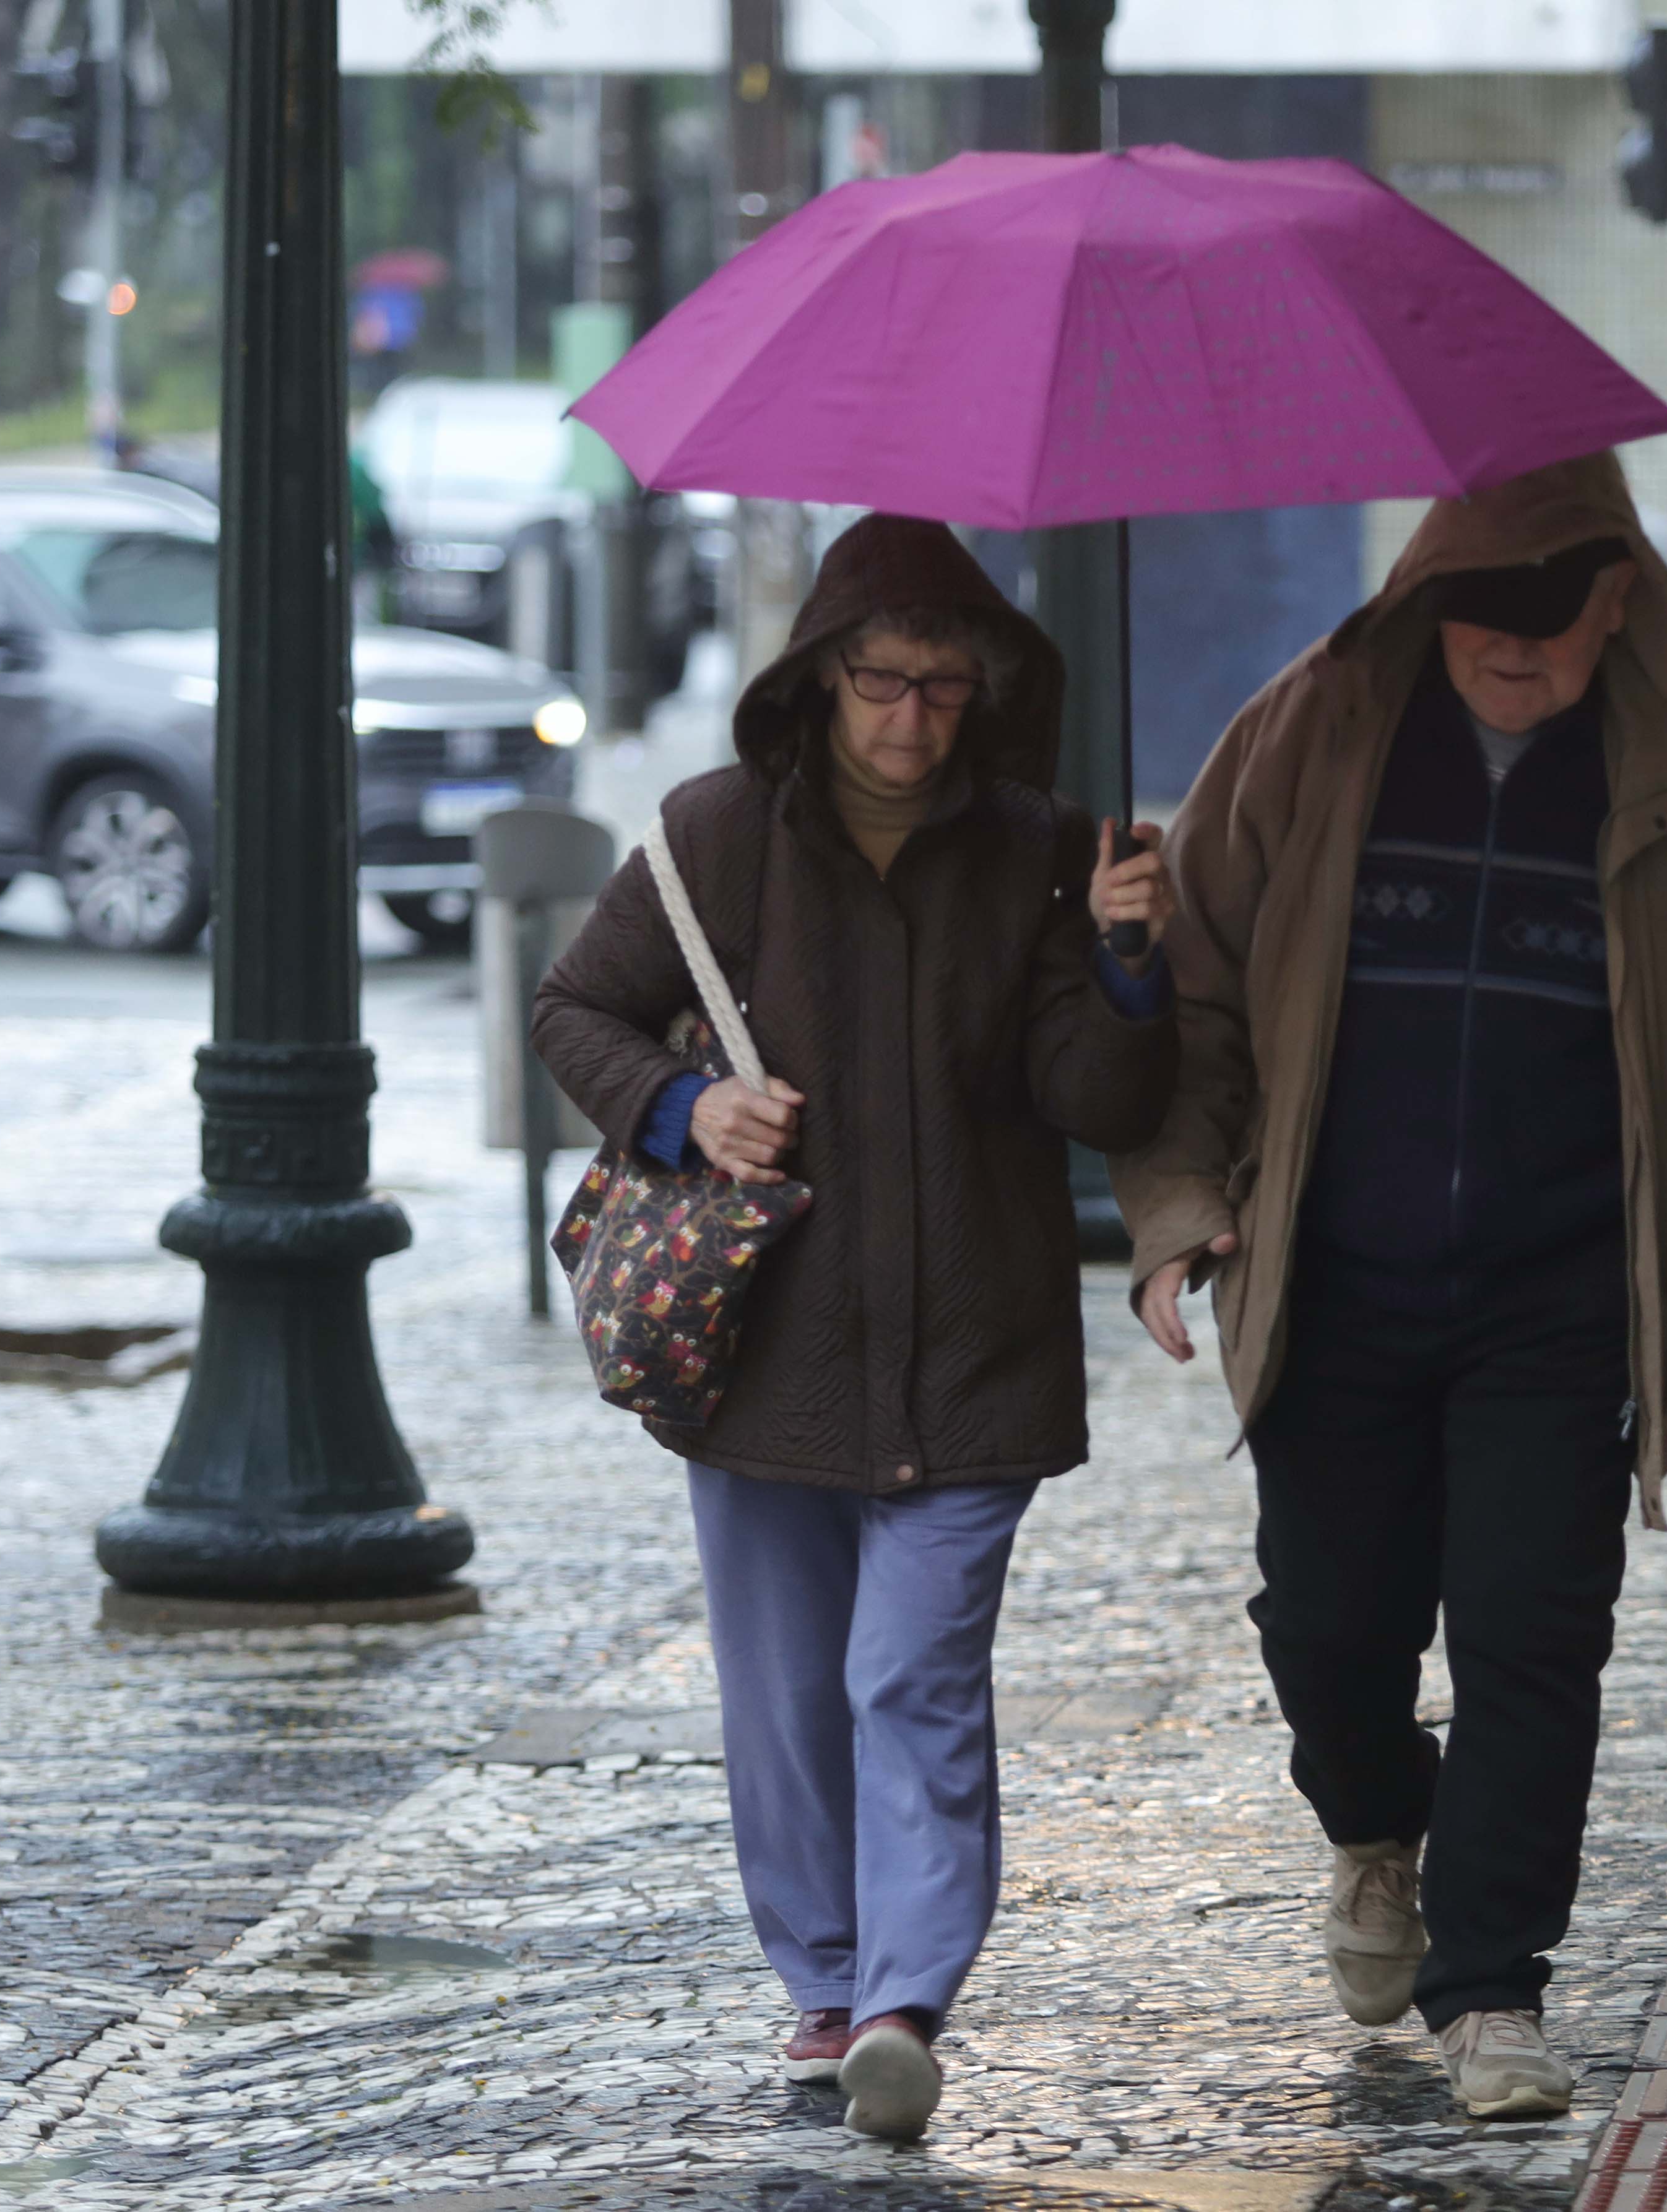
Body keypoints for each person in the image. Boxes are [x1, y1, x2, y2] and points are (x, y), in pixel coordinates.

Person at [1111, 452, 1667, 2120]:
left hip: (1565, 1292)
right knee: (1328, 1630)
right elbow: (1202, 996)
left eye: (1548, 633)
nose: (1510, 663)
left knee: (1535, 1640)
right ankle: (1376, 1832)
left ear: (1621, 603)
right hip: (1333, 1275)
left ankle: (1490, 1989)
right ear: (1426, 602)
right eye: (1478, 632)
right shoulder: (1307, 738)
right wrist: (1178, 1208)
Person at [530, 514, 1177, 2143]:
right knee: (783, 1694)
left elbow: (1094, 1098)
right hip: (768, 1353)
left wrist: (1121, 962)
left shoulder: (1041, 847)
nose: (913, 718)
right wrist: (684, 1106)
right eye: (883, 683)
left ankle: (903, 1997)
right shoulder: (718, 835)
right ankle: (824, 1980)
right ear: (819, 682)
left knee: (913, 1675)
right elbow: (571, 1009)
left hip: (974, 1348)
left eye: (947, 688)